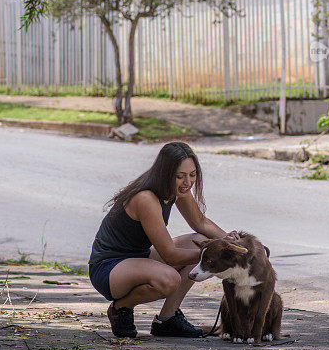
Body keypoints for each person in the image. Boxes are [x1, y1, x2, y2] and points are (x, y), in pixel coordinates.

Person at [88, 141, 239, 339]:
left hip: (139, 258)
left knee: (200, 240)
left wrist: (231, 243)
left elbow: (200, 223)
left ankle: (167, 320)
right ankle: (121, 308)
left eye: (192, 175)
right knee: (170, 278)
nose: (188, 183)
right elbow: (170, 254)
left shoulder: (177, 191)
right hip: (109, 268)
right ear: (165, 174)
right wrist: (213, 257)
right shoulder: (146, 198)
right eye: (180, 176)